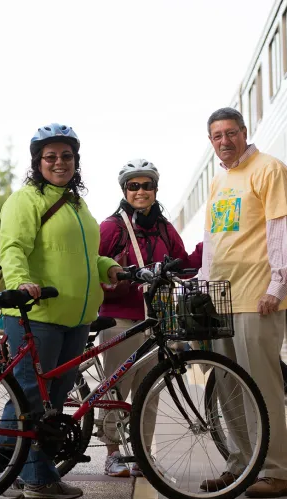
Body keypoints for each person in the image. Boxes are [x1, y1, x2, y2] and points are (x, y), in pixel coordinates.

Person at [0, 123, 122, 499]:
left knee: (55, 401)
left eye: (66, 156)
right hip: (37, 315)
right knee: (29, 397)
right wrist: (21, 282)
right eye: (50, 157)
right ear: (37, 162)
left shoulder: (77, 203)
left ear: (75, 160)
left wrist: (106, 268)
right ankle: (1, 476)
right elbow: (13, 247)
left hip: (75, 319)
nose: (59, 162)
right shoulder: (26, 200)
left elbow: (84, 256)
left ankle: (40, 476)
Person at [197, 107, 287, 498]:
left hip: (258, 299)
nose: (224, 141)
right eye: (216, 136)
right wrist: (204, 287)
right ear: (211, 142)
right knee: (228, 386)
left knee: (261, 384)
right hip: (222, 298)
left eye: (230, 133)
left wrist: (277, 284)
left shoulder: (269, 170)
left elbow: (280, 227)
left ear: (243, 132)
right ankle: (240, 464)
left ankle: (274, 471)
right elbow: (212, 240)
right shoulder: (219, 180)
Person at [96, 158, 193, 477]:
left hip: (157, 321)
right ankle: (112, 454)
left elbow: (184, 263)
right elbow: (93, 266)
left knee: (149, 391)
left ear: (155, 189)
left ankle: (142, 455)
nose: (141, 191)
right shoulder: (112, 227)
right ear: (124, 190)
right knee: (115, 388)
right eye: (133, 186)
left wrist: (212, 247)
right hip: (119, 320)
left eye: (146, 185)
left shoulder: (165, 228)